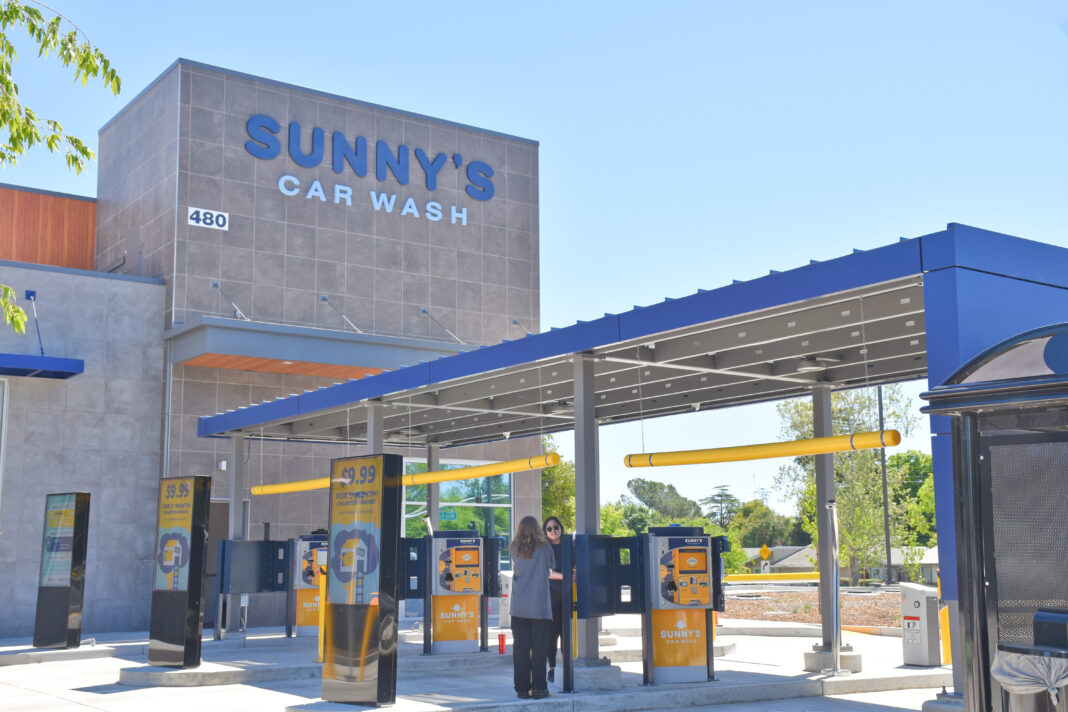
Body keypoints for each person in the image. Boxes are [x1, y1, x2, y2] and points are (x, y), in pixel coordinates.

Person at [508, 515, 554, 699]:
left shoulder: (514, 548)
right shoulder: (546, 549)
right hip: (540, 607)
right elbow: (551, 568)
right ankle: (540, 688)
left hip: (519, 607)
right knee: (539, 649)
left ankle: (522, 689)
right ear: (538, 529)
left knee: (520, 649)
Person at [543, 516, 565, 683]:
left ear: (561, 528)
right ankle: (552, 668)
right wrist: (564, 577)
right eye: (549, 529)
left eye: (555, 527)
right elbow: (545, 571)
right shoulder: (544, 548)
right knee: (551, 634)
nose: (553, 531)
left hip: (568, 594)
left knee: (566, 633)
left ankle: (567, 666)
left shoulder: (569, 545)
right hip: (551, 595)